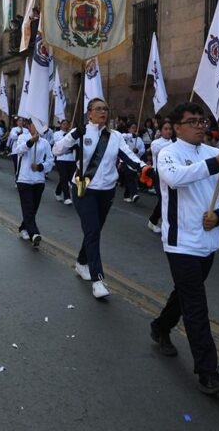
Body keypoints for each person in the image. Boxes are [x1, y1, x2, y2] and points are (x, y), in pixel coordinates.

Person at [152, 102, 219, 395]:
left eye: (202, 121)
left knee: (185, 295)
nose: (200, 126)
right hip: (180, 243)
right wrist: (216, 165)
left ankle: (161, 326)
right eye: (193, 121)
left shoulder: (215, 154)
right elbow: (176, 179)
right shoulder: (168, 154)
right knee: (196, 307)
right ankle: (208, 372)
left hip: (208, 242)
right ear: (177, 127)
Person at [53, 98, 148, 299]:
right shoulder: (80, 132)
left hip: (107, 190)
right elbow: (57, 149)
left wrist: (143, 168)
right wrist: (73, 136)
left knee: (93, 231)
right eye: (98, 109)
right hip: (83, 189)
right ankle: (97, 279)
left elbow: (129, 156)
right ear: (90, 113)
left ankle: (81, 262)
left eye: (105, 108)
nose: (103, 112)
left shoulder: (115, 136)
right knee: (93, 230)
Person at [15, 121, 54, 247]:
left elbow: (50, 160)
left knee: (33, 208)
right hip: (24, 179)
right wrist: (31, 142)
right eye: (33, 125)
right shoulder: (22, 138)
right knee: (28, 206)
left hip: (38, 180)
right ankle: (34, 234)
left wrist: (41, 167)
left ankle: (23, 228)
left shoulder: (45, 143)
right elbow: (19, 150)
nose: (35, 128)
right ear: (29, 126)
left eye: (38, 126)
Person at [147, 119, 174, 234]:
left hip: (171, 173)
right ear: (161, 131)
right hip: (158, 174)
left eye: (170, 129)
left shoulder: (175, 142)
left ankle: (163, 223)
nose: (168, 131)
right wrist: (175, 142)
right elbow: (159, 150)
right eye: (166, 129)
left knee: (169, 200)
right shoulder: (156, 143)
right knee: (163, 199)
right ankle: (153, 221)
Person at [53, 119, 76, 205]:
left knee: (66, 178)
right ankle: (67, 197)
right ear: (61, 125)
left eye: (67, 124)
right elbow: (58, 145)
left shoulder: (72, 133)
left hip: (71, 159)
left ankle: (57, 192)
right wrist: (66, 138)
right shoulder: (57, 134)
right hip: (61, 159)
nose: (65, 125)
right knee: (64, 177)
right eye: (64, 124)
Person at [121, 122, 145, 203]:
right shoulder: (125, 137)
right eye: (132, 127)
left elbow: (143, 150)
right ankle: (134, 194)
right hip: (126, 160)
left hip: (135, 161)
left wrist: (137, 151)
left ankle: (127, 195)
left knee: (131, 178)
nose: (134, 129)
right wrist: (131, 135)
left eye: (135, 128)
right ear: (128, 129)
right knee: (130, 177)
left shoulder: (140, 139)